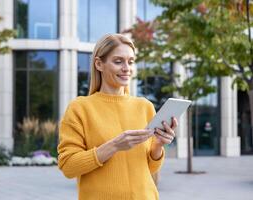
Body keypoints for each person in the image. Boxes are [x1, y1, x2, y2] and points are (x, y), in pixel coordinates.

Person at [57, 33, 177, 200]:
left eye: (131, 62)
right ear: (99, 64)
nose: (126, 68)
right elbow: (68, 166)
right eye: (118, 61)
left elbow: (150, 168)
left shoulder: (145, 106)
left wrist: (158, 145)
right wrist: (114, 146)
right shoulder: (80, 108)